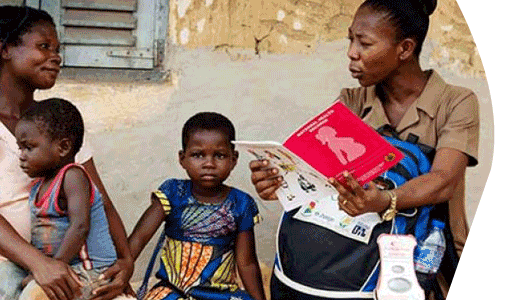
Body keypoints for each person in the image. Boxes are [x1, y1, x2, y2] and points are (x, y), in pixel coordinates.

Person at [248, 0, 479, 299]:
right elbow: (320, 176)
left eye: (364, 43)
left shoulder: (456, 103)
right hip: (358, 269)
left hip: (428, 259)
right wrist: (280, 181)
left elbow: (444, 180)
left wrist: (385, 199)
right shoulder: (352, 102)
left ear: (405, 49)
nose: (351, 53)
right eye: (351, 40)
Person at [0, 6, 133, 300]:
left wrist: (125, 261)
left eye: (57, 49)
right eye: (43, 46)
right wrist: (39, 264)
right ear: (5, 48)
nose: (56, 57)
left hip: (70, 267)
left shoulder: (59, 126)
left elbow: (99, 200)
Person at [0, 98, 135, 300]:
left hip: (89, 271)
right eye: (20, 148)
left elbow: (80, 226)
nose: (21, 155)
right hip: (58, 265)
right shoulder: (39, 185)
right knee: (4, 274)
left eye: (28, 148)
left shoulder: (73, 176)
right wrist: (38, 269)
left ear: (63, 148)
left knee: (36, 293)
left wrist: (51, 268)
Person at [127, 112, 267, 300]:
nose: (209, 163)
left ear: (234, 159)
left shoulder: (241, 203)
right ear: (182, 158)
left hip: (220, 294)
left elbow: (247, 262)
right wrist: (121, 275)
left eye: (219, 155)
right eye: (198, 155)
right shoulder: (173, 193)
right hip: (173, 291)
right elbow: (138, 239)